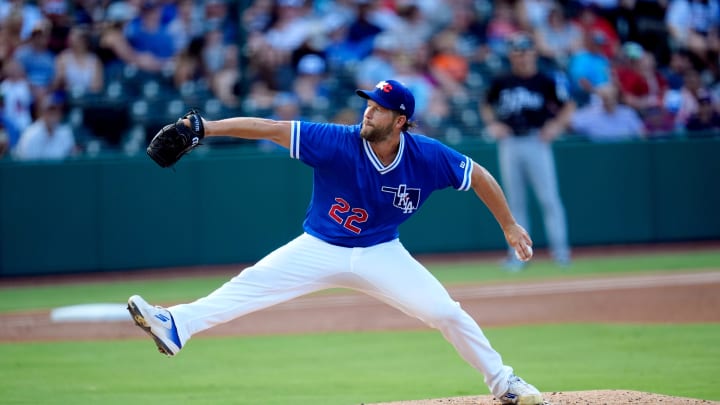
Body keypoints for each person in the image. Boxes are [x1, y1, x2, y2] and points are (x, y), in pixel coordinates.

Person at [127, 79, 544, 405]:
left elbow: (480, 176)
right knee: (249, 285)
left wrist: (509, 226)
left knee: (446, 313)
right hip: (319, 247)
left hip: (381, 252)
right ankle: (177, 324)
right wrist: (206, 127)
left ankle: (504, 382)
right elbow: (271, 129)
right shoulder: (337, 140)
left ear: (399, 121)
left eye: (378, 109)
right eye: (368, 103)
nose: (368, 112)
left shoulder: (427, 155)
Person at [480, 33, 574, 269]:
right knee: (514, 202)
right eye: (517, 52)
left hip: (536, 140)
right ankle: (518, 257)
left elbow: (568, 104)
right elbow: (485, 103)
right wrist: (493, 124)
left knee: (549, 198)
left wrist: (556, 125)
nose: (522, 57)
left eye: (525, 51)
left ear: (533, 53)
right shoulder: (502, 80)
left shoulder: (545, 80)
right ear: (512, 55)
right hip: (511, 141)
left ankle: (561, 253)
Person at [569, 83, 646, 141]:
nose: (609, 100)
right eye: (605, 97)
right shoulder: (588, 114)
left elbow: (642, 136)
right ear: (600, 98)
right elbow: (569, 125)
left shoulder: (628, 113)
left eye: (613, 97)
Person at [14, 95, 75, 160]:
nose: (53, 115)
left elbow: (71, 157)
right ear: (41, 113)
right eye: (49, 111)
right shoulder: (30, 134)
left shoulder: (65, 133)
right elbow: (26, 163)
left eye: (55, 111)